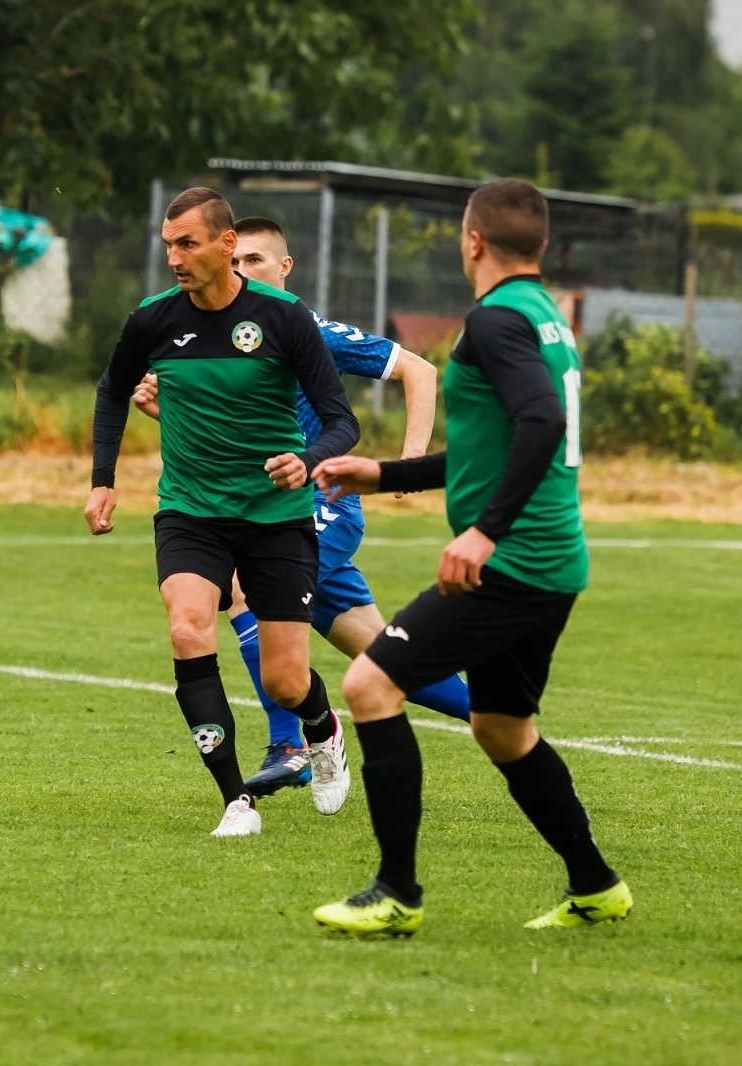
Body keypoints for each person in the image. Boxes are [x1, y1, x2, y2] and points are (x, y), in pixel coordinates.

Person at [308, 178, 631, 936]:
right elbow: (493, 446)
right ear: (541, 246)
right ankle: (596, 884)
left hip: (510, 565)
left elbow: (541, 420)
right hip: (553, 563)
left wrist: (484, 531)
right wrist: (384, 474)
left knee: (368, 683)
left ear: (472, 241)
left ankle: (396, 892)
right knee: (501, 729)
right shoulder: (545, 316)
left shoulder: (491, 323)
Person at [131, 216, 471, 816]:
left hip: (319, 508)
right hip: (255, 506)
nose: (240, 273)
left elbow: (419, 369)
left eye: (255, 261)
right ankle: (499, 709)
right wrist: (163, 411)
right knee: (383, 658)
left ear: (285, 269)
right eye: (235, 262)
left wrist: (410, 460)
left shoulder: (305, 327)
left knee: (239, 587)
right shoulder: (210, 331)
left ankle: (290, 744)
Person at [85, 187, 360, 837]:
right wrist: (103, 481)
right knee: (187, 630)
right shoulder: (153, 319)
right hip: (190, 511)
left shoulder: (285, 317)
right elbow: (111, 391)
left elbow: (341, 421)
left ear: (226, 245)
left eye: (188, 243)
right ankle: (236, 799)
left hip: (275, 515)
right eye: (168, 245)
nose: (175, 257)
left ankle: (323, 735)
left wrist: (308, 457)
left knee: (287, 680)